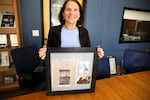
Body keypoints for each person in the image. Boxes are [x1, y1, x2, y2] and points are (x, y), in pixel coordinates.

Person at [38, 0, 104, 60]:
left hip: (79, 71)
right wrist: (44, 55)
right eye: (68, 9)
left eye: (75, 10)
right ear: (63, 13)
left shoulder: (84, 32)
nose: (71, 13)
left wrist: (97, 54)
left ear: (79, 14)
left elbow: (87, 55)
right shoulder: (54, 31)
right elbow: (49, 56)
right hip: (59, 70)